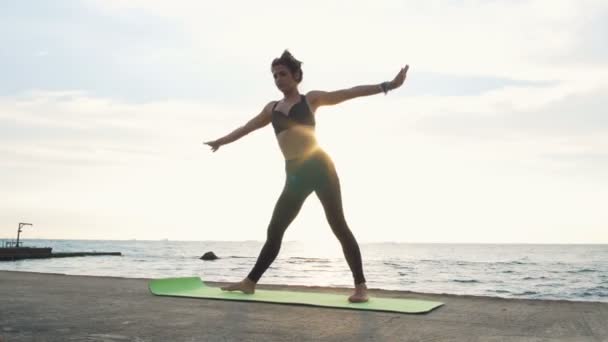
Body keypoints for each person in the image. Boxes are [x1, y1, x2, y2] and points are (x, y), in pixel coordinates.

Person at [204, 50, 408, 303]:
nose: (278, 79)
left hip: (320, 167)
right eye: (275, 75)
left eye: (283, 74)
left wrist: (387, 85)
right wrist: (221, 142)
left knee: (339, 226)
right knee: (275, 229)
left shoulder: (311, 100)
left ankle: (361, 287)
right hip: (295, 174)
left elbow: (349, 92)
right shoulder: (272, 108)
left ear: (297, 76)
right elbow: (247, 127)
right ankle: (249, 282)